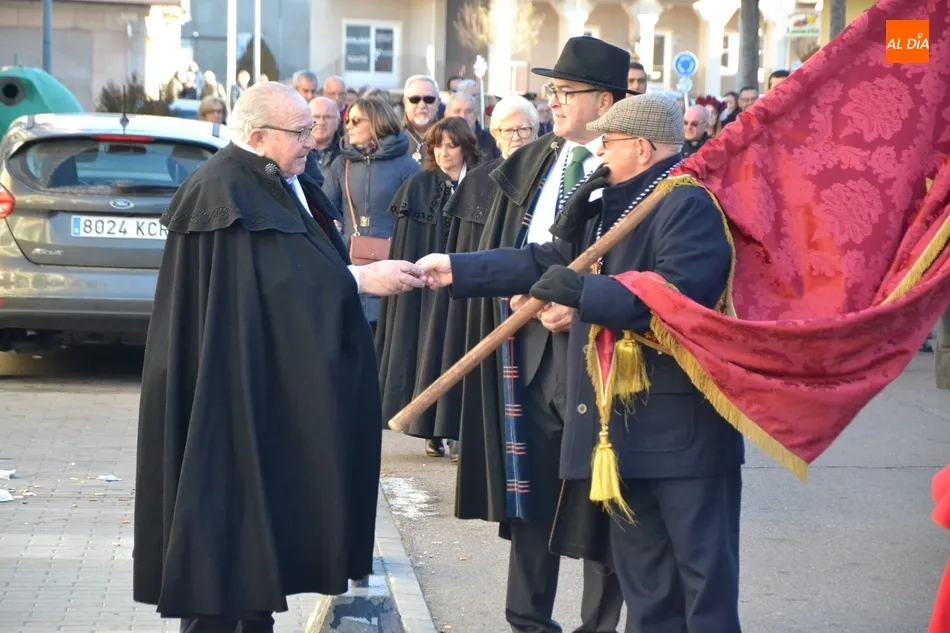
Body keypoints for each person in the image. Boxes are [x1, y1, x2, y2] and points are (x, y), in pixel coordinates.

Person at [417, 92, 746, 633]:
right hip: (623, 431)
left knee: (701, 585)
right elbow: (548, 259)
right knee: (648, 588)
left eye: (608, 143)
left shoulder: (688, 203)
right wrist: (459, 267)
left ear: (642, 148)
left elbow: (675, 299)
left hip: (683, 435)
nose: (600, 155)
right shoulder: (614, 201)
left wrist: (582, 293)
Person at [133, 81, 427, 633]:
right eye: (299, 132)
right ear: (257, 136)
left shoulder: (280, 179)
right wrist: (360, 279)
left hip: (264, 388)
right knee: (221, 543)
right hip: (226, 392)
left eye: (313, 129)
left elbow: (295, 266)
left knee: (254, 544)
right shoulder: (222, 189)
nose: (312, 141)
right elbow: (272, 287)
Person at [422, 36, 634, 633]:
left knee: (602, 498)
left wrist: (582, 303)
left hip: (600, 354)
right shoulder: (539, 159)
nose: (554, 101)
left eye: (566, 92)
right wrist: (474, 273)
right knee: (531, 496)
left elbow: (637, 269)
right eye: (552, 91)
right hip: (531, 350)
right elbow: (536, 250)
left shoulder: (632, 168)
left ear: (606, 101)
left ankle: (598, 626)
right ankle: (528, 621)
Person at [408, 94, 540, 463]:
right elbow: (465, 244)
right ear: (494, 134)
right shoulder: (480, 180)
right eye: (508, 131)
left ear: (536, 131)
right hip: (483, 292)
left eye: (524, 130)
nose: (516, 137)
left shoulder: (548, 177)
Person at [376, 117, 481, 458]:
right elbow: (406, 244)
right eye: (438, 146)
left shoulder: (481, 183)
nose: (444, 153)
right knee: (427, 351)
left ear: (466, 147)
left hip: (468, 285)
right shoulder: (417, 187)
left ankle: (462, 429)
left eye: (451, 146)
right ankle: (430, 428)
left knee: (463, 350)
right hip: (427, 290)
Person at [322, 97, 421, 328]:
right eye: (347, 121)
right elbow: (325, 207)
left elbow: (419, 217)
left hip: (394, 265)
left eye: (356, 121)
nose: (349, 126)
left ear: (377, 122)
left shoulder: (406, 165)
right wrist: (335, 227)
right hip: (350, 266)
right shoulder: (342, 164)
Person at [402, 75, 442, 163]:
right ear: (405, 103)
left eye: (429, 99)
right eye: (414, 99)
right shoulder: (393, 136)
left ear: (438, 103)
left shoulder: (448, 136)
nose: (422, 105)